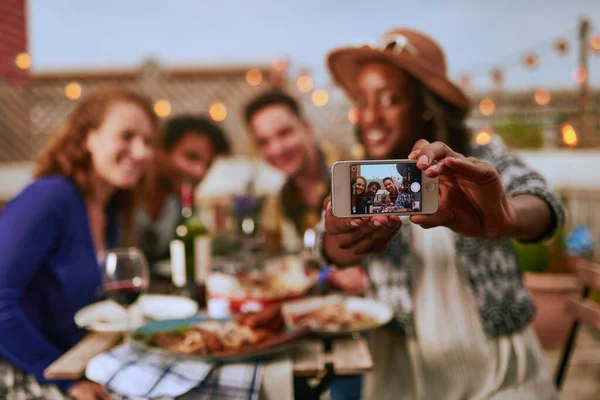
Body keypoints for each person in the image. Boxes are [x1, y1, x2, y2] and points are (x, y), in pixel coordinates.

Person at [319, 28, 564, 399]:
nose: (371, 116)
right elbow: (330, 245)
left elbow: (542, 201)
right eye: (361, 100)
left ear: (426, 104)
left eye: (389, 99)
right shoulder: (364, 180)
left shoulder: (478, 158)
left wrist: (506, 216)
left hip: (497, 371)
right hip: (402, 371)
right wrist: (341, 241)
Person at [0, 86, 158, 399]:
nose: (141, 152)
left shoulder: (110, 209)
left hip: (76, 361)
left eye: (148, 141)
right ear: (88, 139)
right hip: (22, 369)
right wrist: (67, 382)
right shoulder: (49, 196)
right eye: (126, 137)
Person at [244, 90, 364, 400]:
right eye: (264, 141)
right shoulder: (278, 203)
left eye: (285, 133)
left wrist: (366, 276)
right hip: (309, 329)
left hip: (366, 335)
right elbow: (285, 268)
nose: (277, 148)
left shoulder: (356, 174)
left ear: (307, 128)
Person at [135, 115, 231, 266]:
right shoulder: (125, 196)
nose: (200, 172)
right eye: (191, 157)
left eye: (208, 164)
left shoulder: (182, 204)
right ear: (160, 150)